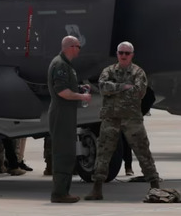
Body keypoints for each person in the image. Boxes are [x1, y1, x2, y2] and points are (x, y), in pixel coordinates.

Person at [84, 41, 160, 200]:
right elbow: (103, 87)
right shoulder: (108, 71)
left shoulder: (138, 72)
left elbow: (139, 91)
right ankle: (97, 188)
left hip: (132, 118)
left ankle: (155, 186)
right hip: (111, 118)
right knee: (103, 152)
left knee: (143, 151)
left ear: (131, 55)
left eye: (127, 53)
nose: (124, 56)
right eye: (121, 52)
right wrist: (124, 87)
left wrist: (116, 89)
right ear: (117, 54)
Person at [47, 35, 92, 203]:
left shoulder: (66, 65)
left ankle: (63, 191)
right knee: (63, 153)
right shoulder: (60, 64)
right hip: (61, 113)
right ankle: (59, 193)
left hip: (67, 113)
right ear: (71, 47)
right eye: (78, 47)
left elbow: (67, 88)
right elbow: (62, 92)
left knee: (68, 152)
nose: (79, 50)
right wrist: (82, 96)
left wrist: (79, 88)